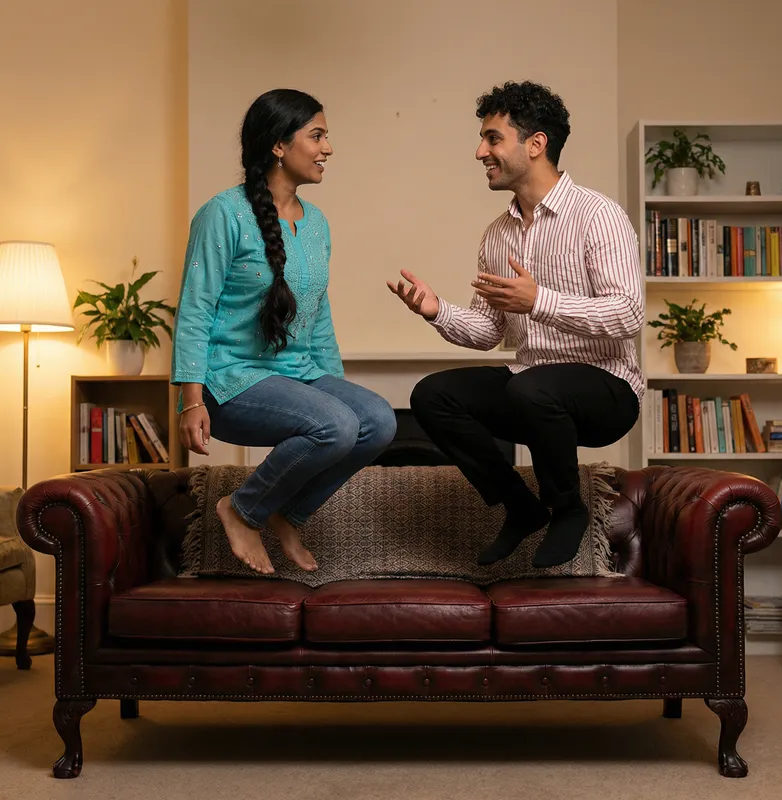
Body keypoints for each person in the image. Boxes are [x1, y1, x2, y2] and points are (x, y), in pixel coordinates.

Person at [387, 81, 643, 569]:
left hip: (607, 391)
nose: (480, 151)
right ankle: (520, 506)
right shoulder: (497, 234)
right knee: (432, 395)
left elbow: (627, 315)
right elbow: (489, 332)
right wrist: (436, 309)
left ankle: (567, 509)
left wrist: (540, 301)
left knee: (532, 389)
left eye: (492, 138)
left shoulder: (598, 216)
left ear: (535, 143)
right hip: (535, 389)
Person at [172, 89, 396, 576]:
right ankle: (241, 508)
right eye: (317, 135)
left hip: (298, 372)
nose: (327, 149)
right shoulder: (223, 214)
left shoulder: (316, 224)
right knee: (335, 424)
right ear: (278, 144)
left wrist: (341, 389)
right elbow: (194, 309)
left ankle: (287, 513)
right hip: (228, 379)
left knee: (378, 420)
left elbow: (319, 314)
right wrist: (190, 399)